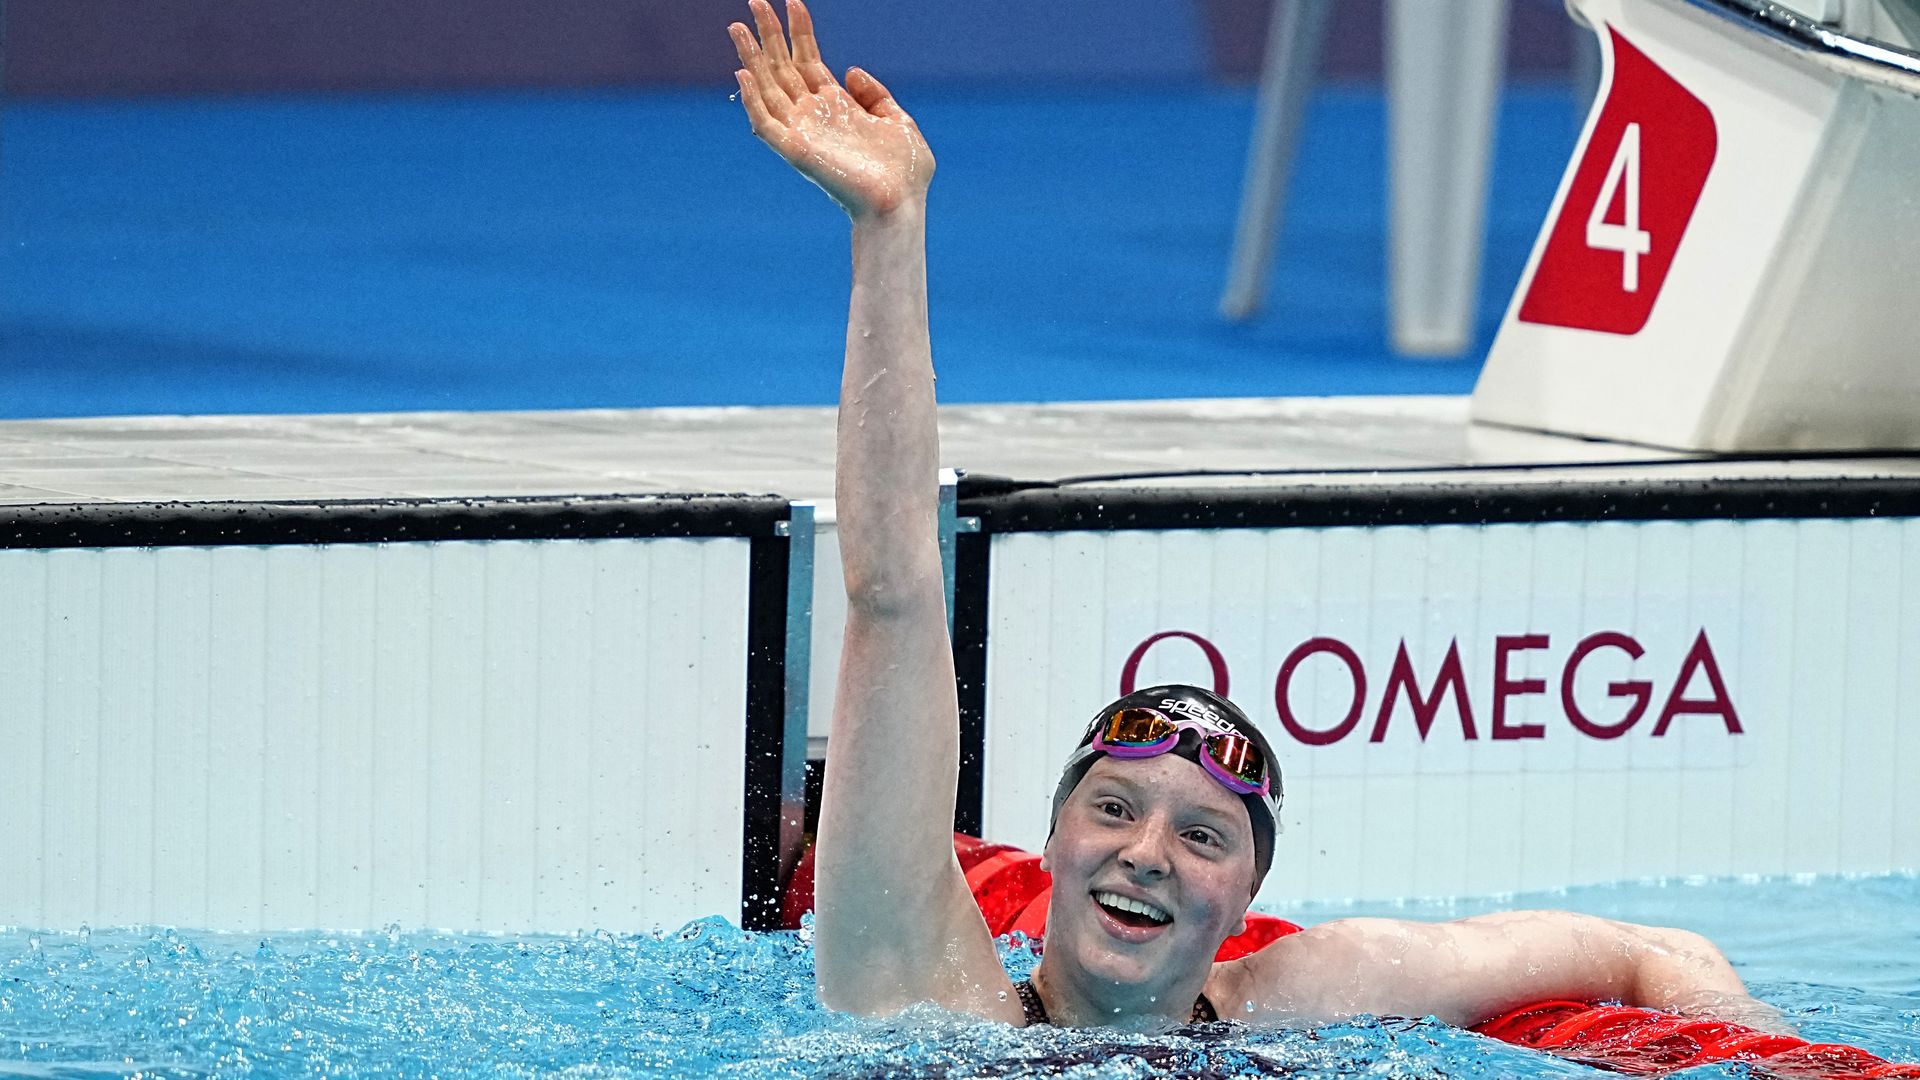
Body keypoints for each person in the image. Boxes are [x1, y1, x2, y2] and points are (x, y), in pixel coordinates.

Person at [726, 0, 1785, 1033]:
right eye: (1113, 810)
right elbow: (894, 588)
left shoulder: (1304, 995)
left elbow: (1656, 952)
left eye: (1202, 835)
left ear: (1246, 901)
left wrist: (1735, 1032)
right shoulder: (925, 986)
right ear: (1048, 840)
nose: (1147, 852)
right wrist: (890, 227)